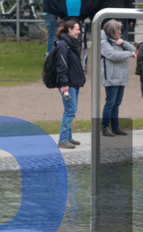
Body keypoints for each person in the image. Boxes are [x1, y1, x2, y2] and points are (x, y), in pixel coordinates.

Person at [100, 20, 136, 137]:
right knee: (110, 103)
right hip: (111, 78)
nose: (120, 32)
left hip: (121, 77)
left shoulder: (118, 40)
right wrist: (129, 54)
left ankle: (115, 127)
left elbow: (133, 48)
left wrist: (124, 42)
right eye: (118, 30)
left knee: (117, 103)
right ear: (111, 31)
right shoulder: (104, 43)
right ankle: (105, 127)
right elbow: (113, 55)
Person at [56, 20, 86, 149]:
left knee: (71, 110)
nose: (79, 32)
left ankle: (68, 136)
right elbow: (61, 65)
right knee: (70, 110)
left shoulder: (71, 44)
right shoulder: (63, 45)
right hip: (68, 84)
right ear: (69, 30)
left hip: (74, 82)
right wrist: (64, 83)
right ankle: (63, 139)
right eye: (77, 29)